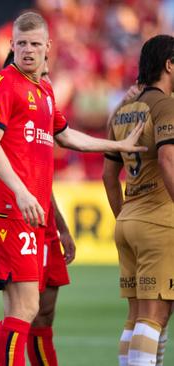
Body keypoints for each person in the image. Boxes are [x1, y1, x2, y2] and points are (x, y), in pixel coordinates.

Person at [0, 12, 146, 366]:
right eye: (21, 44)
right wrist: (20, 192)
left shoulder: (45, 90)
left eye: (35, 44)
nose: (28, 50)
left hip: (32, 215)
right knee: (25, 308)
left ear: (48, 47)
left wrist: (116, 146)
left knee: (29, 310)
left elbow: (66, 136)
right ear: (12, 45)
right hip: (9, 209)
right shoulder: (3, 82)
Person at [0, 50, 76, 366]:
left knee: (42, 311)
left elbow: (43, 181)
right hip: (14, 215)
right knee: (24, 310)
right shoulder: (7, 100)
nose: (44, 73)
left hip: (44, 221)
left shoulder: (46, 98)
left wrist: (62, 228)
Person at [103, 34, 174, 366]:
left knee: (136, 317)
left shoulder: (122, 110)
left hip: (128, 219)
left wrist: (124, 217)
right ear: (169, 65)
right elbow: (167, 161)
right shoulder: (164, 105)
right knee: (154, 314)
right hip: (158, 219)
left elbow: (108, 176)